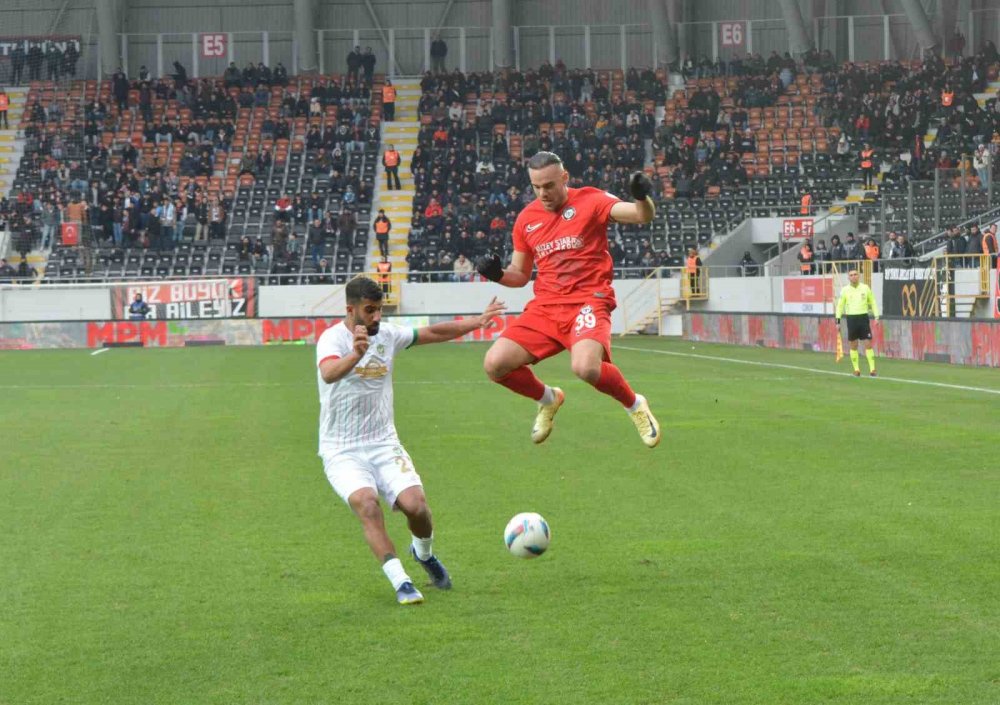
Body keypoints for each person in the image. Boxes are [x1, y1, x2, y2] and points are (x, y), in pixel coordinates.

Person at [315, 276, 505, 605]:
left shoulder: (387, 335)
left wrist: (477, 321)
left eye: (380, 310)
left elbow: (432, 333)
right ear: (351, 310)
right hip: (341, 449)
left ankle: (424, 555)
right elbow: (329, 373)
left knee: (417, 508)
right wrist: (356, 355)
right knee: (367, 504)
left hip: (384, 443)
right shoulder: (331, 339)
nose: (376, 317)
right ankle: (401, 581)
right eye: (370, 311)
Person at [475, 151, 661, 448]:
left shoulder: (592, 200)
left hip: (589, 299)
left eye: (549, 185)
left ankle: (635, 404)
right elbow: (520, 275)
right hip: (546, 307)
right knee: (494, 365)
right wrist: (496, 274)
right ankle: (548, 399)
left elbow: (641, 215)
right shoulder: (526, 220)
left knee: (586, 368)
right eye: (536, 187)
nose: (543, 193)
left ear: (565, 178)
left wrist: (642, 197)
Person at [835, 269, 879, 377]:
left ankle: (872, 369)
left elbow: (872, 301)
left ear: (858, 276)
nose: (853, 276)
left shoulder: (865, 288)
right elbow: (840, 306)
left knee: (868, 344)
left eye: (855, 274)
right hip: (852, 319)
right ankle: (856, 370)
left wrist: (877, 316)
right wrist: (838, 321)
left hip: (863, 318)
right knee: (853, 345)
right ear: (848, 277)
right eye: (851, 275)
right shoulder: (845, 290)